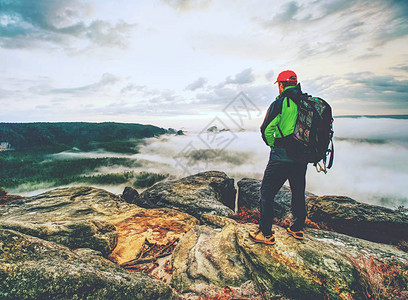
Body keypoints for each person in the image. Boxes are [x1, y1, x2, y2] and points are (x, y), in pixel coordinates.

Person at [249, 70, 308, 245]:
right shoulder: (305, 102)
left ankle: (266, 233)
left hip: (281, 157)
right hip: (302, 157)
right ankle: (297, 228)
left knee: (267, 193)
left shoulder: (281, 103)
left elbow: (266, 129)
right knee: (298, 192)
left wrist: (274, 144)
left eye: (279, 85)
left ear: (281, 85)